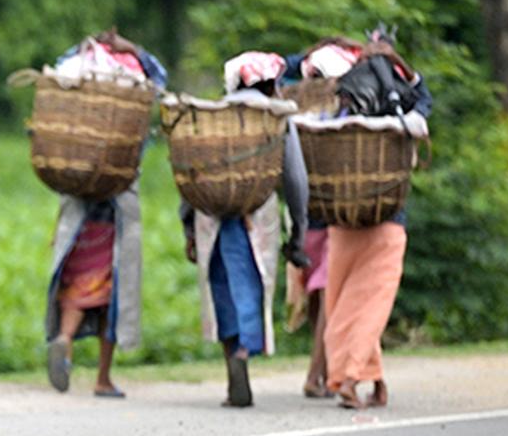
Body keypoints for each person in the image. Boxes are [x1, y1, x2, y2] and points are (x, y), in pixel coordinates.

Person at [180, 52, 309, 408]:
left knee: (221, 288)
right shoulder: (276, 117)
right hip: (257, 218)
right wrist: (298, 231)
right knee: (251, 286)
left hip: (211, 216)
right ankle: (242, 354)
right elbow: (296, 179)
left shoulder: (212, 115)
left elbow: (188, 171)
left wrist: (187, 228)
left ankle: (231, 369)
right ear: (270, 83)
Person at [44, 29, 167, 396]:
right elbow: (160, 79)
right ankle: (103, 377)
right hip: (118, 209)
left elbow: (62, 65)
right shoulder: (132, 98)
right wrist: (133, 49)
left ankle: (64, 338)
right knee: (113, 290)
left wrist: (83, 44)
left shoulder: (77, 100)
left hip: (77, 207)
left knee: (77, 284)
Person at [319, 31, 432, 409]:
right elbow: (424, 99)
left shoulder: (338, 110)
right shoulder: (403, 116)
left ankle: (352, 379)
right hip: (381, 223)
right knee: (364, 305)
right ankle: (373, 380)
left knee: (350, 306)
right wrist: (397, 60)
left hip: (349, 222)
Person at [280, 36, 364, 398]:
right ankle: (317, 373)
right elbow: (283, 66)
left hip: (312, 212)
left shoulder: (320, 106)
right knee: (321, 293)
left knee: (322, 292)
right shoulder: (320, 104)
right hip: (322, 211)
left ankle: (320, 368)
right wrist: (323, 46)